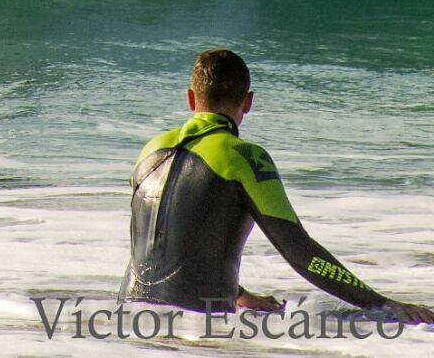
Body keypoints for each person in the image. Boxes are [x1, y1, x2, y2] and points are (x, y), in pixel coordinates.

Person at [120, 48, 434, 323]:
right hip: (198, 326)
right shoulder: (244, 157)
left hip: (127, 320)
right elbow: (301, 253)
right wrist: (382, 303)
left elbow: (165, 246)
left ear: (191, 98)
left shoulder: (150, 149)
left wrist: (239, 293)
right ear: (249, 102)